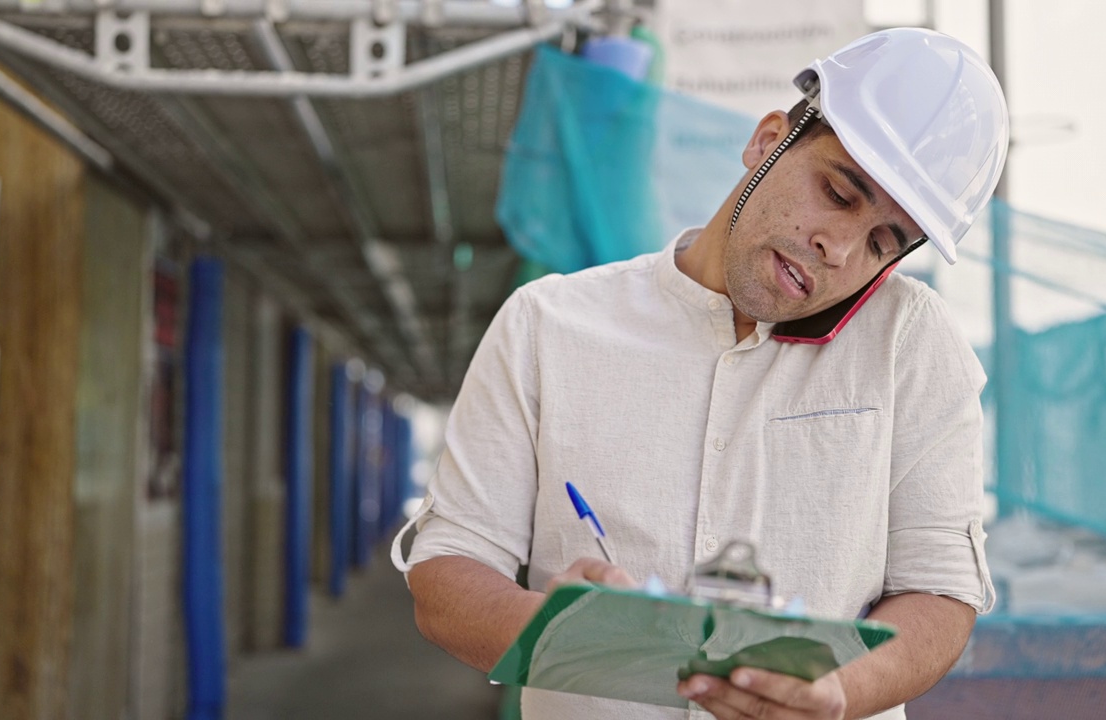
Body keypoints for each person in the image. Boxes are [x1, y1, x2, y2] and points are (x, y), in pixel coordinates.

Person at [392, 27, 1008, 720]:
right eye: (838, 193)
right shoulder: (547, 326)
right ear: (767, 139)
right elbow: (446, 575)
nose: (838, 249)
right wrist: (556, 631)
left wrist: (841, 692)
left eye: (881, 243)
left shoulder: (913, 346)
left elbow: (941, 598)